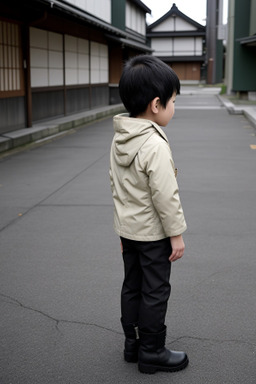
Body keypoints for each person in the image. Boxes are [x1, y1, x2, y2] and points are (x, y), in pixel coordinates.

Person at [109, 54, 188, 374]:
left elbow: (117, 185)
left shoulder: (120, 137)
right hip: (154, 234)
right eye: (172, 101)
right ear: (156, 105)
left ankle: (133, 344)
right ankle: (152, 351)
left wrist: (122, 230)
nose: (174, 107)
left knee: (132, 285)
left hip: (129, 230)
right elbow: (165, 195)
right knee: (155, 290)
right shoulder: (153, 144)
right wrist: (177, 233)